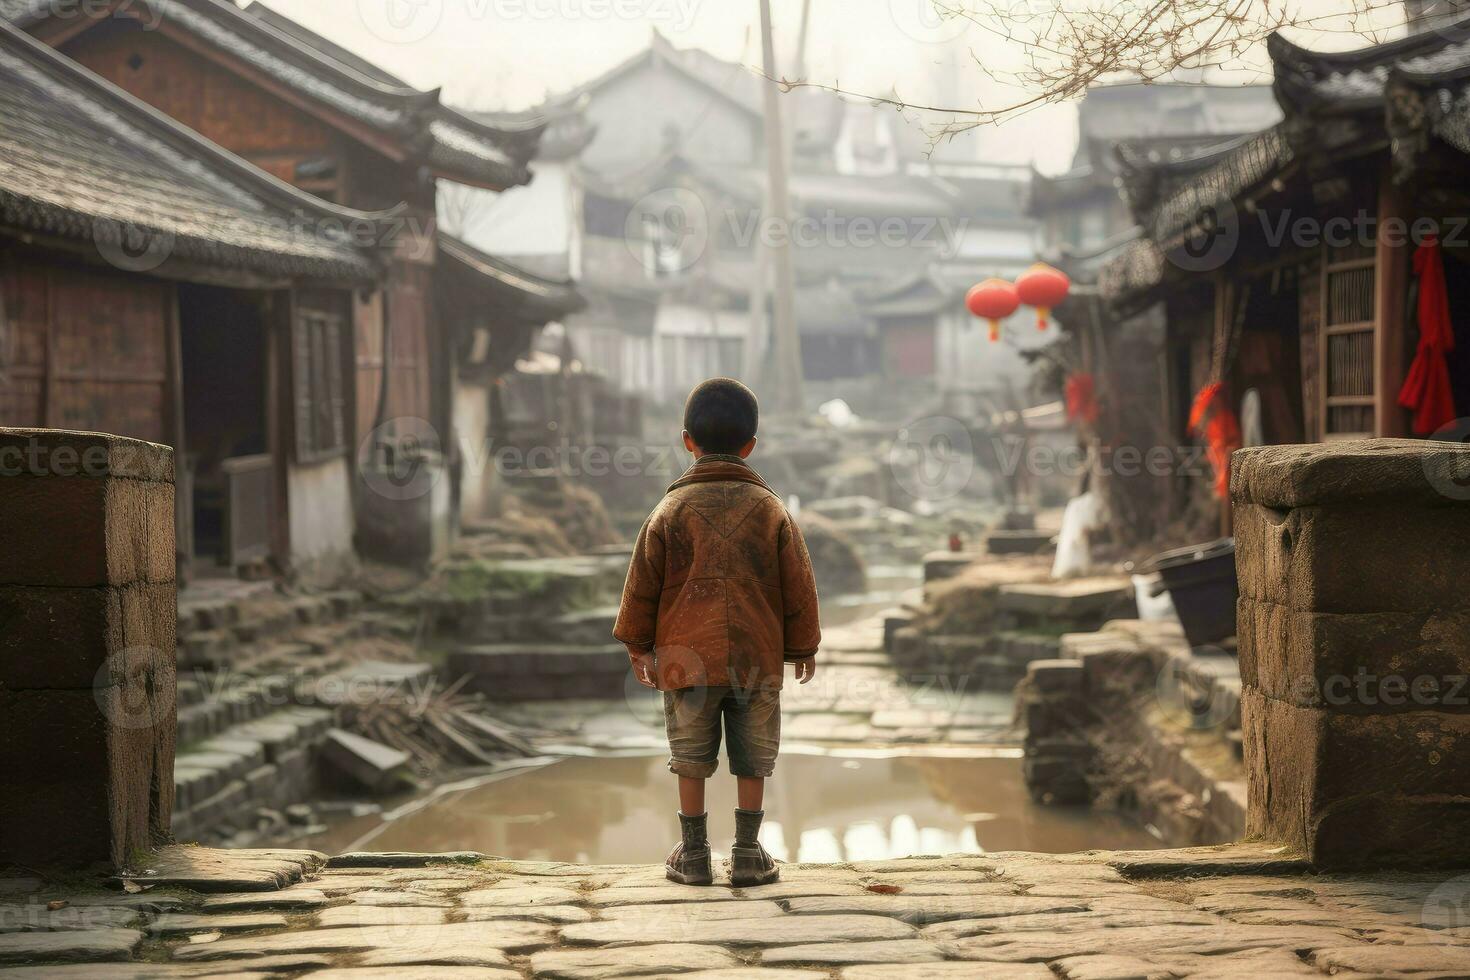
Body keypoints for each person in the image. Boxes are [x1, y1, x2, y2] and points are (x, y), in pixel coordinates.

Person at [614, 378, 821, 886]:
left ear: (687, 440)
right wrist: (803, 646)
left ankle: (694, 854)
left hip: (688, 655)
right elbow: (799, 584)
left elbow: (643, 583)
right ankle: (749, 853)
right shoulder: (771, 511)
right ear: (751, 445)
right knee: (753, 753)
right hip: (757, 652)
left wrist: (639, 645)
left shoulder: (669, 510)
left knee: (690, 754)